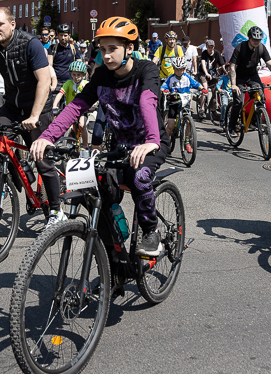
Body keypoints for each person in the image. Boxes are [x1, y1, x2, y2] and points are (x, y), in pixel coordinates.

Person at [31, 16, 170, 256]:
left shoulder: (146, 70)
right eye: (102, 49)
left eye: (112, 49)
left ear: (129, 48)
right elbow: (76, 107)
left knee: (138, 178)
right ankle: (114, 258)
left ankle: (150, 231)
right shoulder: (101, 76)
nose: (106, 56)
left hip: (151, 143)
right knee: (93, 188)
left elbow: (148, 101)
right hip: (119, 146)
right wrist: (48, 137)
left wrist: (150, 142)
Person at [0, 6, 63, 227]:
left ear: (13, 24)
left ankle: (56, 210)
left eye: (0, 24)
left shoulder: (31, 44)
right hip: (12, 106)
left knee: (42, 160)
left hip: (37, 108)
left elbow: (44, 81)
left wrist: (35, 115)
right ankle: (16, 175)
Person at [227, 25, 271, 133]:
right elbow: (232, 66)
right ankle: (232, 126)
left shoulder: (261, 48)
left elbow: (270, 64)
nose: (256, 42)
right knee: (238, 101)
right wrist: (233, 84)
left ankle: (254, 120)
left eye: (258, 39)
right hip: (239, 77)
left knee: (260, 97)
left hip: (252, 75)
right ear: (249, 38)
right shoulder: (240, 47)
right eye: (254, 39)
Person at [161, 56, 204, 153]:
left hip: (185, 103)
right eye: (177, 69)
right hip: (174, 103)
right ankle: (165, 142)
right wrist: (164, 89)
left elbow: (196, 84)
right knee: (171, 125)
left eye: (181, 69)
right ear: (173, 68)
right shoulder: (171, 78)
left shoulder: (187, 78)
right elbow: (164, 85)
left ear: (184, 69)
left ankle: (187, 141)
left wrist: (202, 89)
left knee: (189, 122)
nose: (179, 71)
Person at [52, 60, 89, 148]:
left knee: (82, 125)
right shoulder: (68, 83)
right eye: (74, 74)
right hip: (70, 110)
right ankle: (57, 144)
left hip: (83, 110)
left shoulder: (86, 84)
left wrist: (92, 106)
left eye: (79, 75)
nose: (76, 77)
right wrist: (54, 105)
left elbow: (92, 96)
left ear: (83, 75)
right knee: (61, 124)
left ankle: (85, 146)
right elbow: (60, 94)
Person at [47, 23, 82, 90]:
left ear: (69, 35)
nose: (63, 38)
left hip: (70, 82)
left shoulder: (74, 48)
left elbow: (79, 65)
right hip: (56, 83)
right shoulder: (52, 48)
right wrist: (52, 82)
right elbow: (49, 65)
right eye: (61, 35)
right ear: (57, 35)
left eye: (65, 35)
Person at [198, 39, 226, 113]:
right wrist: (206, 73)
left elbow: (222, 64)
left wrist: (226, 72)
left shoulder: (217, 53)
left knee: (215, 90)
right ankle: (202, 108)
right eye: (209, 47)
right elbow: (203, 65)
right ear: (206, 47)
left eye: (212, 47)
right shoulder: (204, 53)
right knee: (205, 88)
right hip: (203, 73)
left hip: (212, 73)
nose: (211, 49)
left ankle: (213, 108)